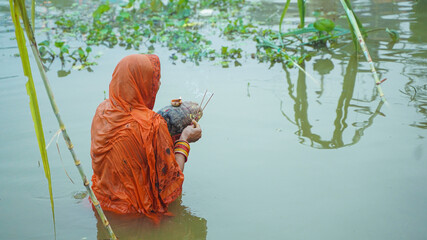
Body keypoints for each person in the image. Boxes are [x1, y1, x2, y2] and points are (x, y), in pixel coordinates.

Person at [90, 54, 202, 222]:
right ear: (141, 83)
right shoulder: (152, 125)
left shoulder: (103, 111)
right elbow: (170, 186)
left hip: (101, 204)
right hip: (137, 215)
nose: (158, 85)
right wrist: (184, 140)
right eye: (155, 80)